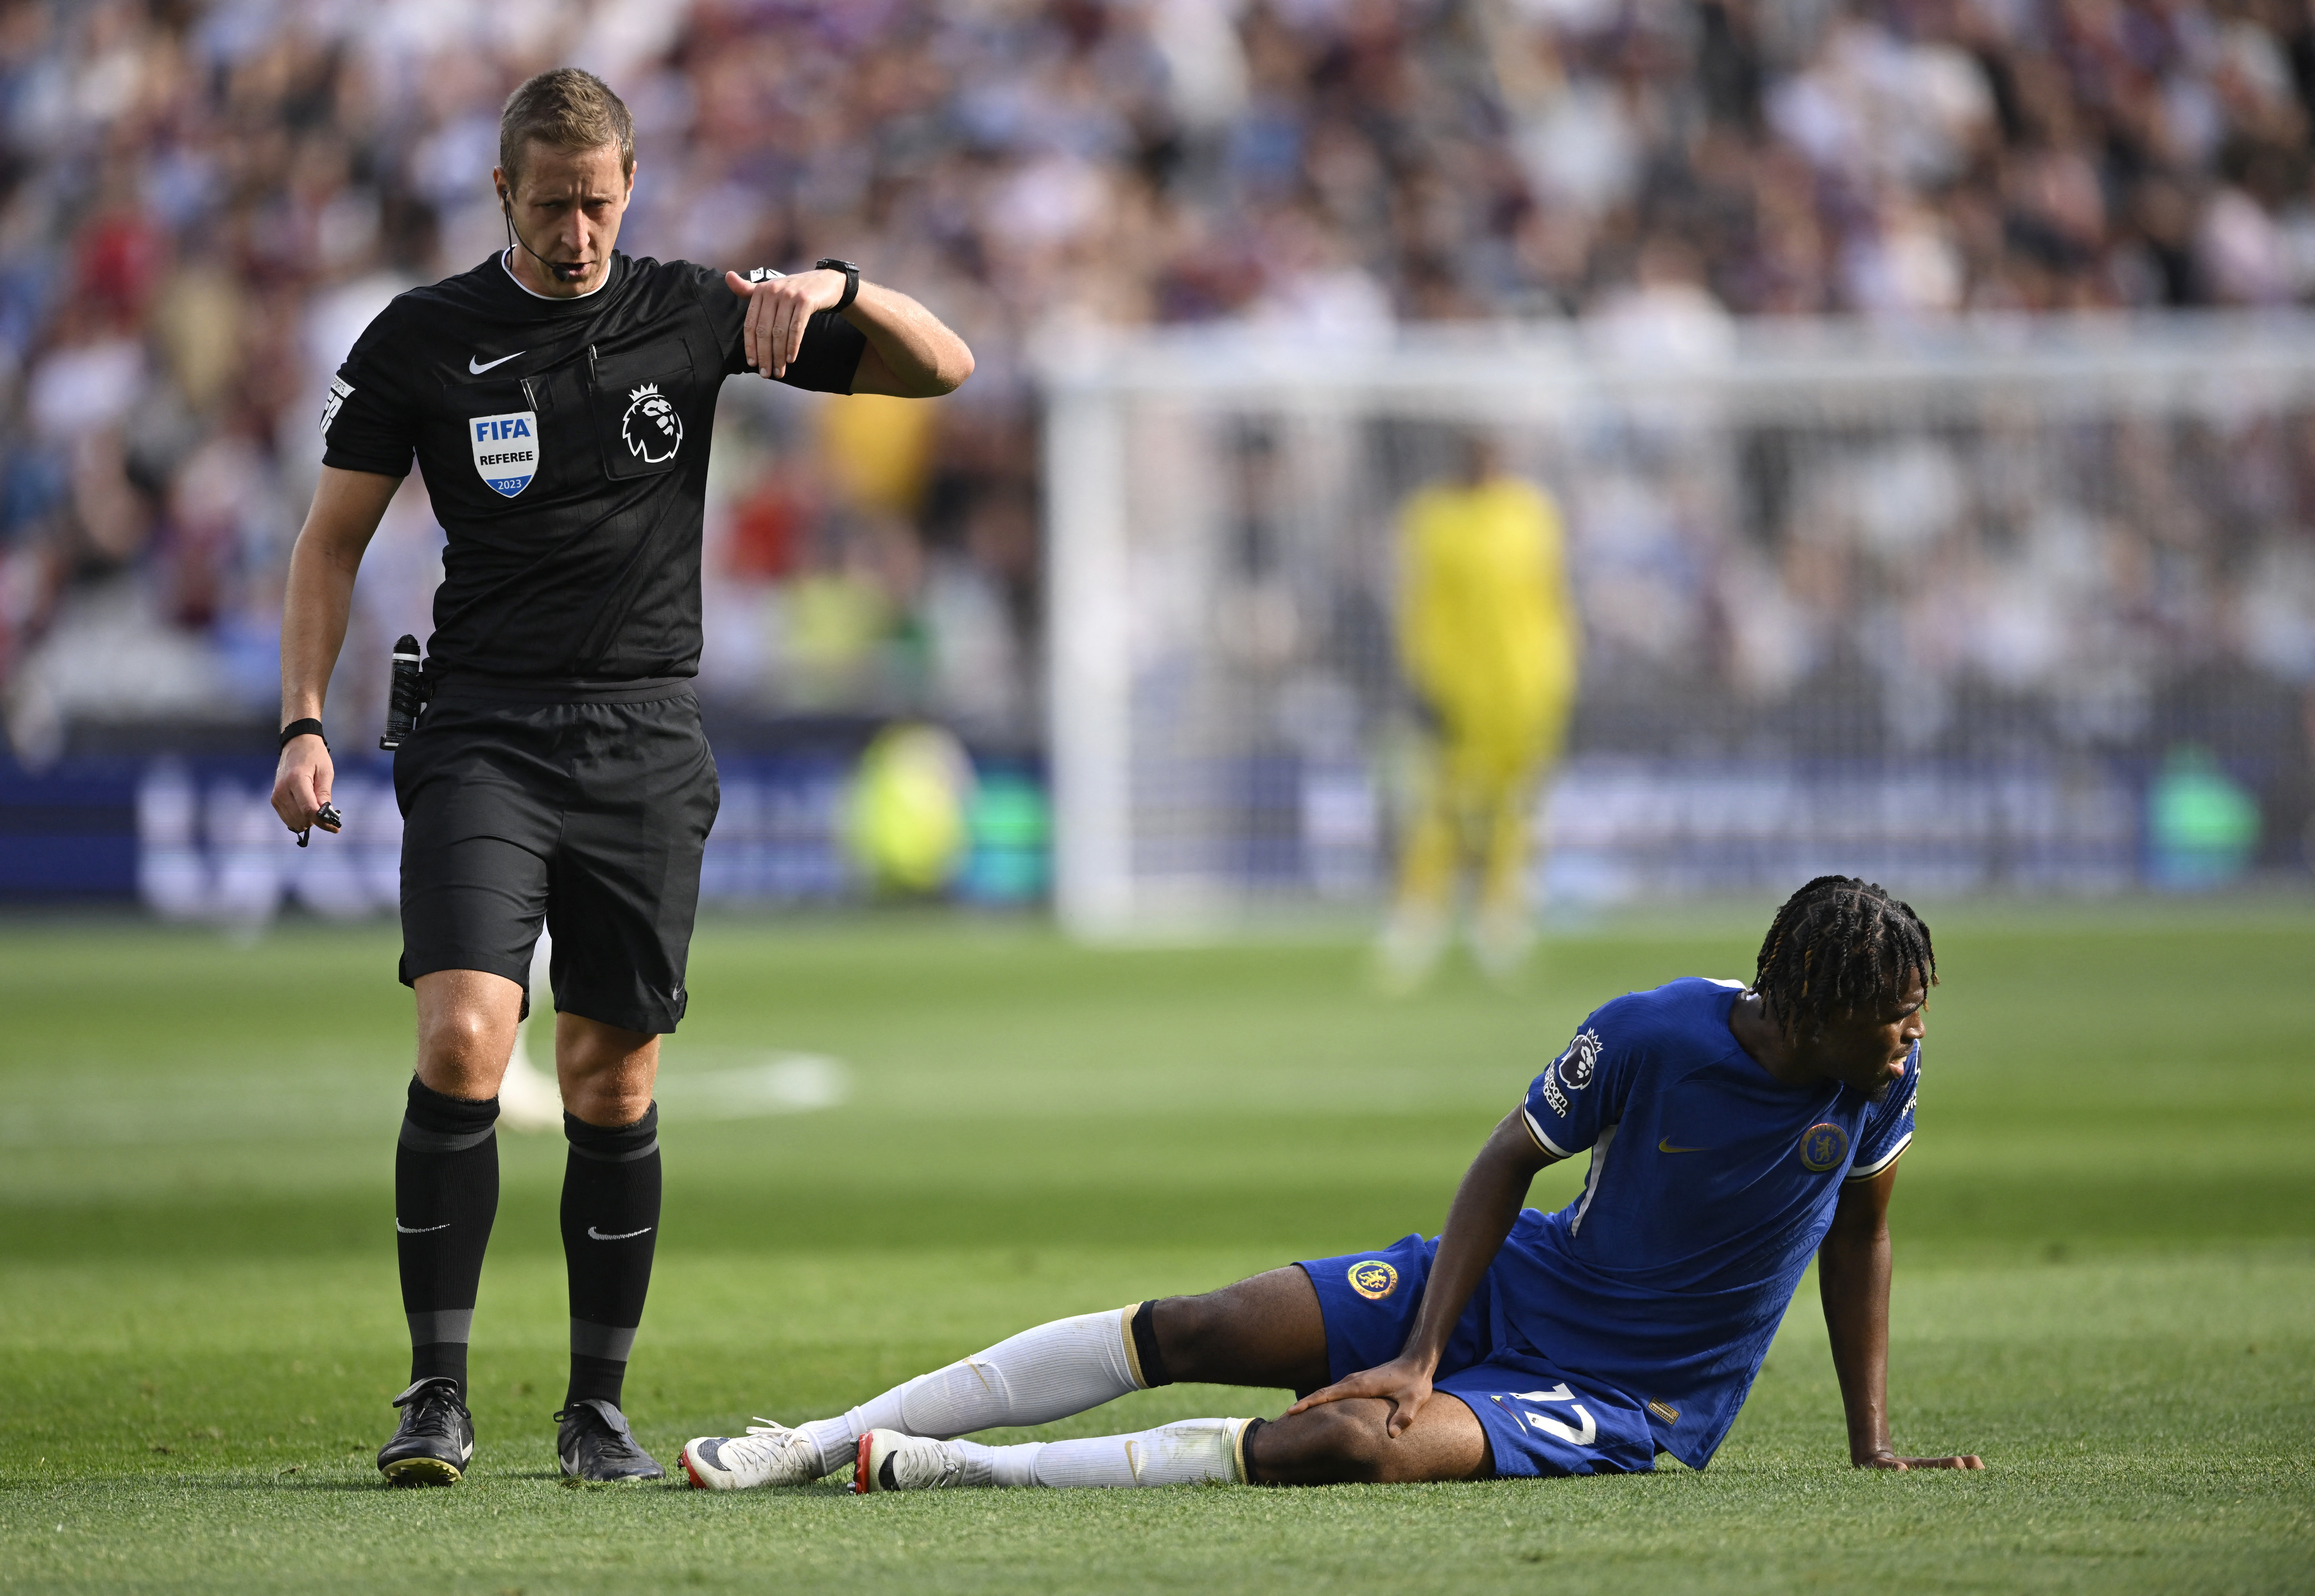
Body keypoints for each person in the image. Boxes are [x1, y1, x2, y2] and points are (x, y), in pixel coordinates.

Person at [267, 67, 972, 1487]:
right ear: (502, 195)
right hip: (479, 730)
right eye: (551, 206)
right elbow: (328, 539)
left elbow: (941, 364)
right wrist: (300, 717)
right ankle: (435, 1390)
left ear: (629, 188)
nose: (577, 231)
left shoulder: (693, 309)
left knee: (609, 1074)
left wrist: (832, 293)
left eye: (598, 203)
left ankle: (595, 1407)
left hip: (644, 737)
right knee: (466, 1034)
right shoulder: (425, 339)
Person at [681, 876, 1982, 1492]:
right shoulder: (1653, 1031)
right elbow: (1504, 1161)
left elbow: (1858, 1230)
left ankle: (947, 1466)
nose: (1907, 1039)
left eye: (1911, 1019)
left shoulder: (1872, 1083)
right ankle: (810, 1435)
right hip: (1510, 1287)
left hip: (1624, 1394)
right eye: (1890, 1017)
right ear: (1807, 1002)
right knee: (1192, 1325)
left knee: (1348, 1443)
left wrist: (1866, 1432)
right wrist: (1425, 1343)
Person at [1378, 434, 1578, 990]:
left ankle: (1501, 923)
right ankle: (1418, 921)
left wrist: (1561, 676)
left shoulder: (1532, 514)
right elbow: (1420, 608)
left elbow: (1552, 602)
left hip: (1528, 691)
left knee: (1516, 811)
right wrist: (1424, 679)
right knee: (1441, 811)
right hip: (1457, 695)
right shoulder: (1433, 519)